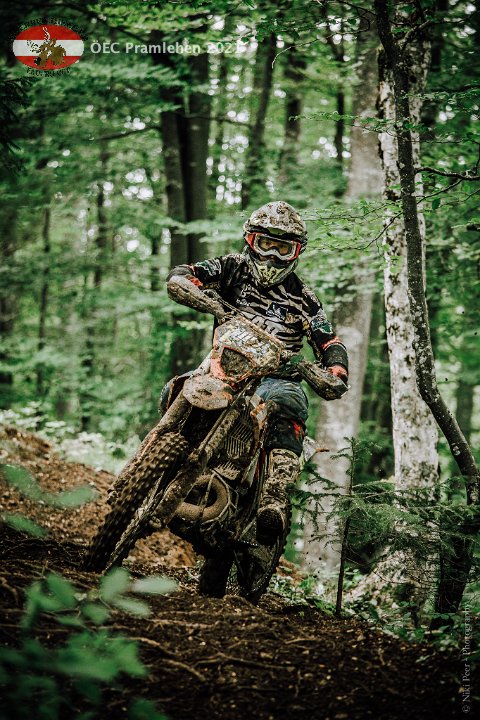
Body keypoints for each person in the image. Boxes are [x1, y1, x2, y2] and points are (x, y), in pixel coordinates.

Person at [166, 201, 348, 545]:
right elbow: (183, 274)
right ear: (251, 240)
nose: (272, 256)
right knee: (177, 388)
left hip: (276, 378)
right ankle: (162, 461)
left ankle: (273, 497)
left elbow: (329, 341)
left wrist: (332, 371)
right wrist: (207, 301)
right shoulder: (231, 268)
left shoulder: (304, 300)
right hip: (224, 364)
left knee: (289, 402)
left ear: (296, 252)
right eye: (266, 244)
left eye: (283, 249)